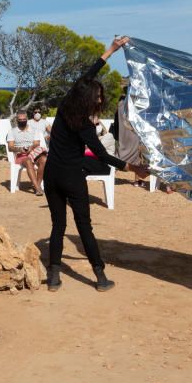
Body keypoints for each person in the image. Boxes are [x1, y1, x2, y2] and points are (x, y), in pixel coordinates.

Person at [44, 36, 148, 292]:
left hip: (51, 175)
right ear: (90, 98)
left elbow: (87, 74)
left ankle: (54, 277)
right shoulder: (85, 126)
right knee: (84, 228)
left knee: (58, 225)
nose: (101, 100)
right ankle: (100, 278)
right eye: (99, 96)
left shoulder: (65, 105)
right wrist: (134, 168)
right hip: (71, 178)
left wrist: (111, 50)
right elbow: (103, 156)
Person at [8, 109, 47, 196]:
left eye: (24, 119)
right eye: (20, 120)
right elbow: (10, 147)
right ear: (16, 120)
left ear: (27, 119)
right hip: (20, 155)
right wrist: (19, 149)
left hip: (33, 152)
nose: (22, 121)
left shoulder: (34, 130)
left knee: (44, 159)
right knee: (28, 161)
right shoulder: (12, 131)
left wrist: (31, 147)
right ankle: (38, 188)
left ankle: (36, 184)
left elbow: (37, 143)